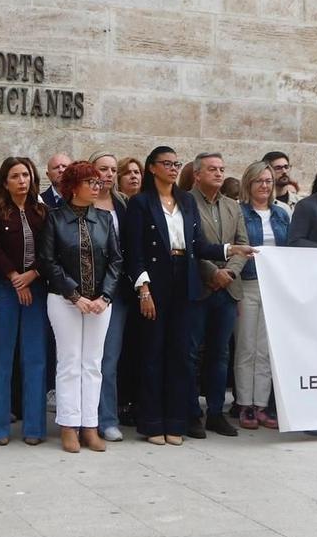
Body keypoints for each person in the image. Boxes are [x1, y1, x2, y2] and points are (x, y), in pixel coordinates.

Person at [123, 146, 239, 445]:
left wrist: (228, 249)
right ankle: (152, 423)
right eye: (167, 163)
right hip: (154, 278)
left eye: (176, 164)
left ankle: (176, 422)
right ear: (152, 167)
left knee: (180, 355)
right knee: (153, 353)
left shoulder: (186, 201)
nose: (173, 168)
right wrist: (143, 289)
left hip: (184, 278)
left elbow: (198, 244)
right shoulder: (140, 203)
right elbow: (134, 251)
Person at [39, 161, 119, 452]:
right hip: (64, 301)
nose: (97, 186)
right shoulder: (55, 218)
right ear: (73, 187)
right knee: (69, 362)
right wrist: (74, 295)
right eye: (90, 182)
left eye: (98, 182)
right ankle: (69, 426)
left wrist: (104, 297)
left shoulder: (105, 219)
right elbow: (48, 261)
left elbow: (116, 261)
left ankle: (90, 426)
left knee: (93, 364)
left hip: (99, 303)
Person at [0, 156, 48, 445]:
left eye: (26, 175)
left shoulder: (42, 211)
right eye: (15, 176)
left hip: (36, 288)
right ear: (5, 182)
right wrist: (14, 276)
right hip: (3, 289)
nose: (22, 181)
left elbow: (49, 249)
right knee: (2, 358)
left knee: (35, 358)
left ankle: (34, 428)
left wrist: (31, 275)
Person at [189, 152, 247, 437]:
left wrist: (230, 273)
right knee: (192, 353)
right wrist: (213, 273)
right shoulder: (186, 202)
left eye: (222, 169)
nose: (218, 173)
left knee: (220, 353)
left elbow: (242, 244)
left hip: (228, 289)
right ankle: (190, 412)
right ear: (197, 174)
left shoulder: (233, 206)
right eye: (212, 169)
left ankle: (215, 412)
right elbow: (188, 245)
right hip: (200, 287)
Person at [234, 160, 292, 429]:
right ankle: (244, 404)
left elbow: (289, 249)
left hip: (273, 286)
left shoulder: (282, 214)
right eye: (259, 181)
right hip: (248, 283)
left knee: (267, 348)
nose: (265, 186)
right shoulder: (239, 212)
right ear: (249, 183)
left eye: (268, 181)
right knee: (246, 346)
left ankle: (261, 404)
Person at [90, 153, 128, 442]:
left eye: (113, 170)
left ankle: (107, 419)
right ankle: (84, 418)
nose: (109, 174)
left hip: (117, 291)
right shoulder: (81, 202)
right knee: (85, 359)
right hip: (87, 291)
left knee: (110, 359)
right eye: (103, 169)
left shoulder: (123, 204)